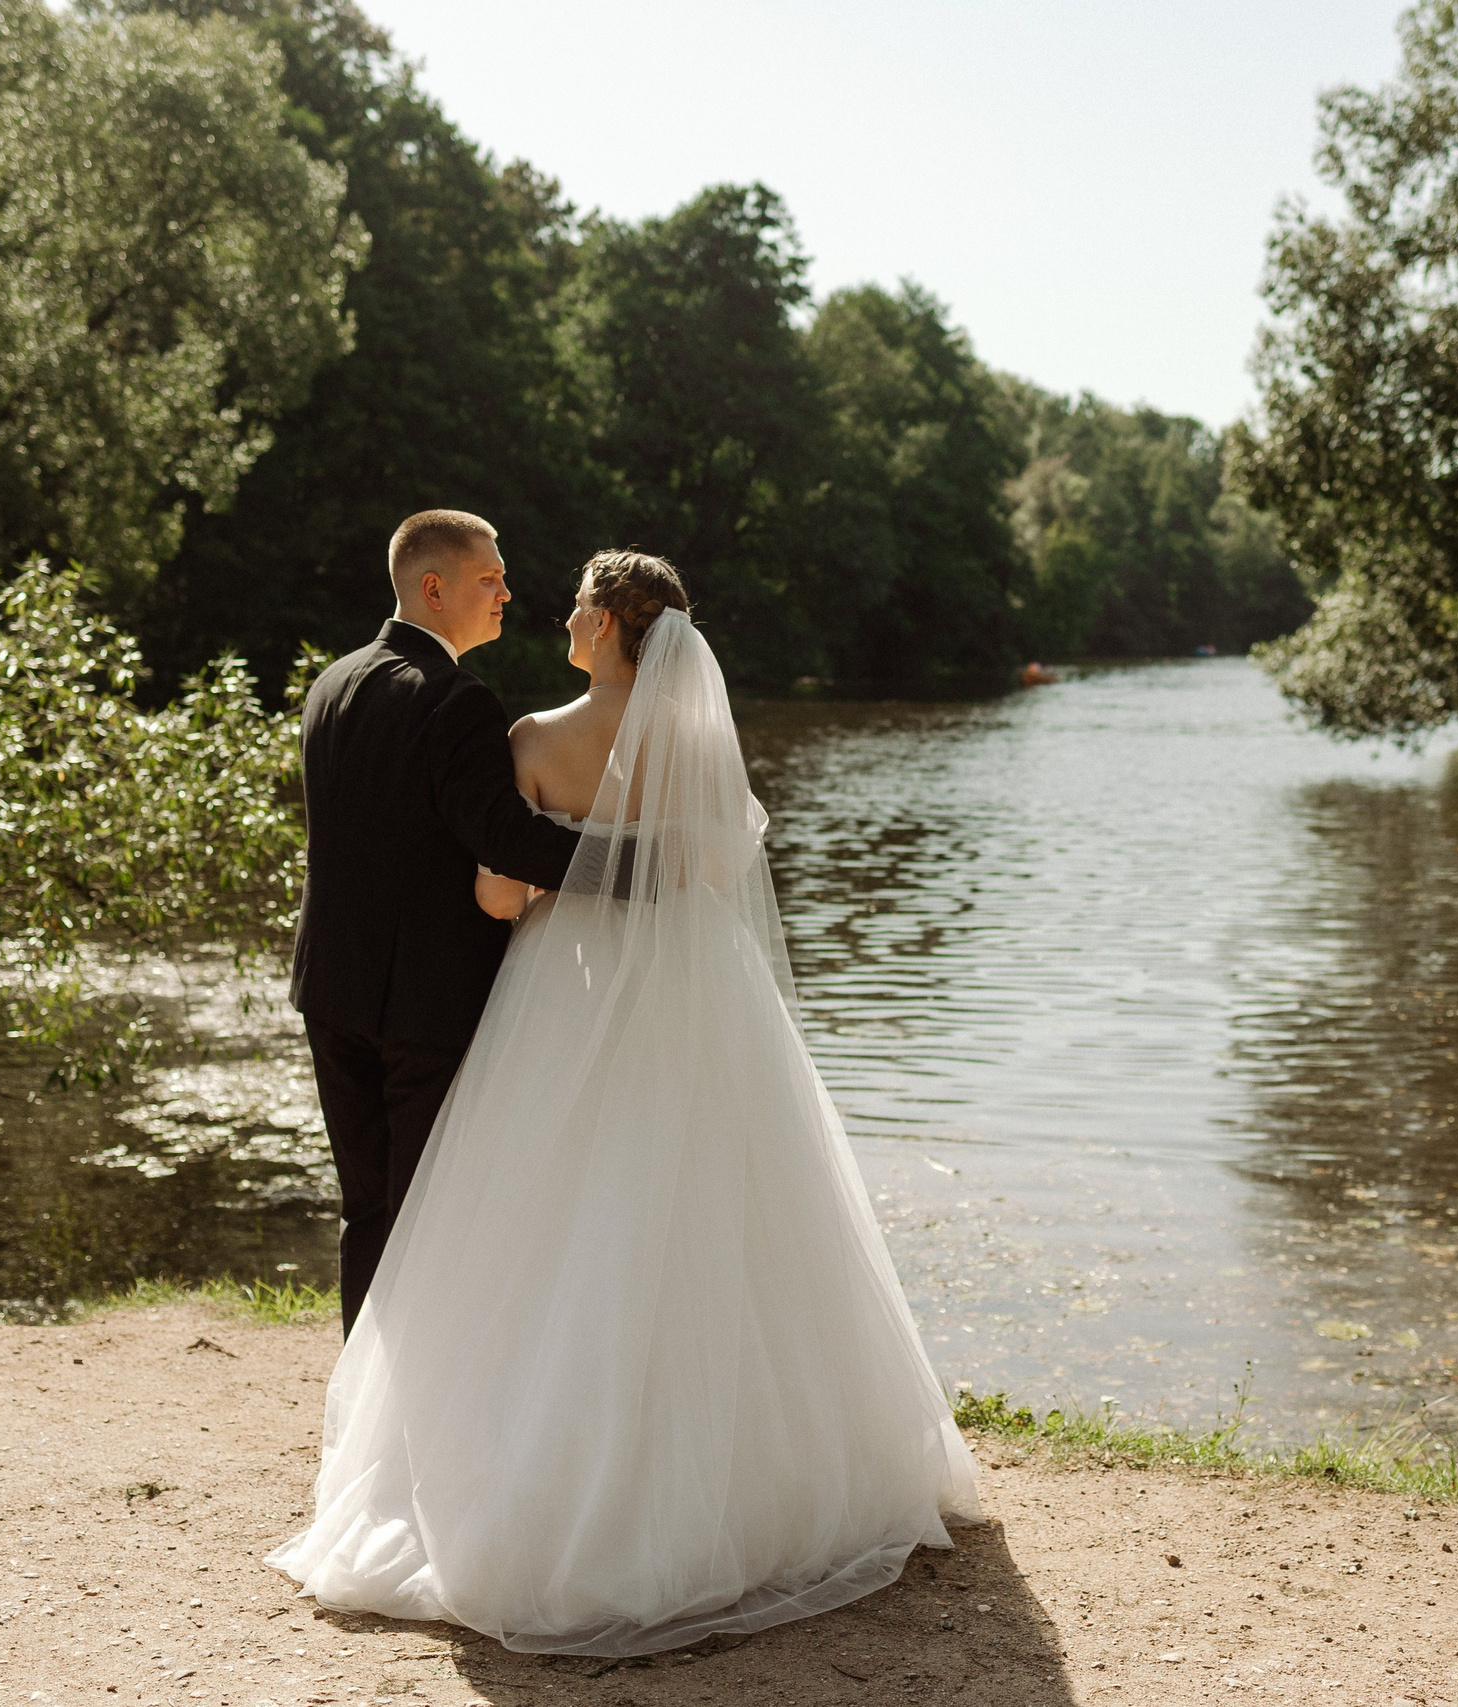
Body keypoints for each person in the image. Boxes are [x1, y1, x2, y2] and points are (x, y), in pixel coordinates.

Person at [269, 551, 980, 1656]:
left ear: (604, 627)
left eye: (571, 603)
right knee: (723, 1211)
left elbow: (502, 888)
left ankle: (449, 1447)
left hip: (552, 996)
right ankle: (758, 1479)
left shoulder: (532, 738)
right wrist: (640, 867)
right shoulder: (702, 747)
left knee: (513, 1219)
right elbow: (708, 868)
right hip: (702, 1003)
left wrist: (531, 883)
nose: (548, 608)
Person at [288, 509, 584, 1335]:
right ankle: (411, 1424)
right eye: (489, 578)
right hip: (421, 1002)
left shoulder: (332, 683)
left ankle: (365, 1415)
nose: (506, 592)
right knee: (428, 1216)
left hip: (331, 988)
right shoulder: (455, 699)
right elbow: (504, 836)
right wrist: (631, 865)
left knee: (368, 1210)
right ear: (433, 586)